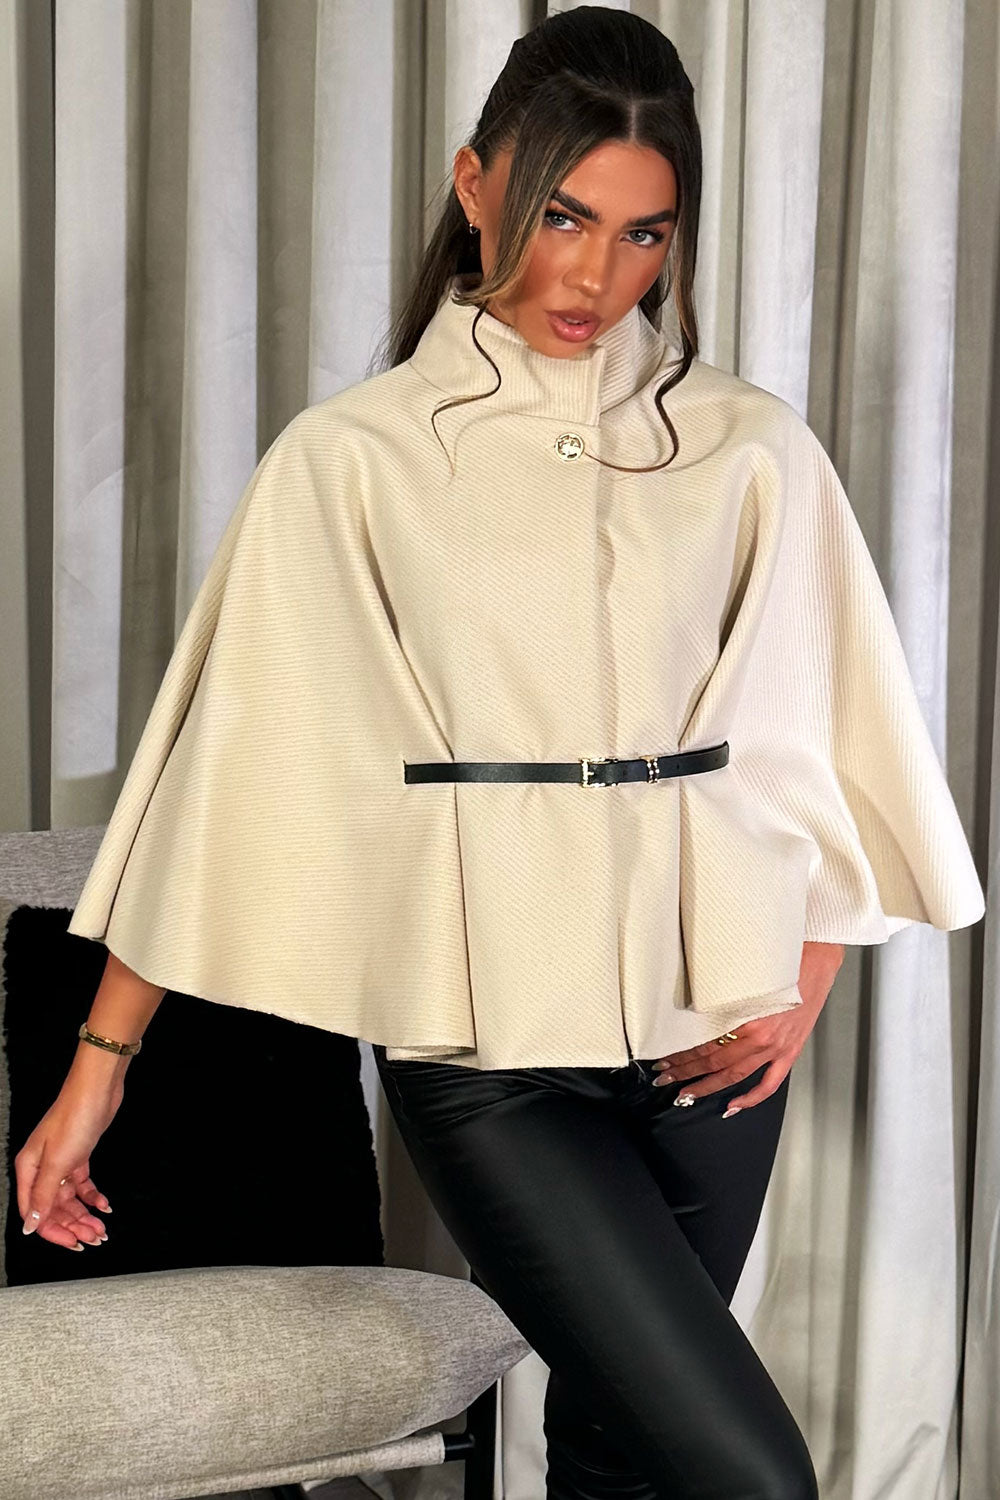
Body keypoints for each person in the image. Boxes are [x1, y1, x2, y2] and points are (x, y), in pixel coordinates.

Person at [16, 8, 985, 1499]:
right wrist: (98, 1071)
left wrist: (805, 979)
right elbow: (230, 773)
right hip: (490, 1063)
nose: (595, 276)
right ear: (475, 185)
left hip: (716, 1038)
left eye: (645, 233)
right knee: (750, 1476)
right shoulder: (353, 460)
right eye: (563, 216)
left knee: (622, 1453)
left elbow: (826, 728)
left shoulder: (752, 447)